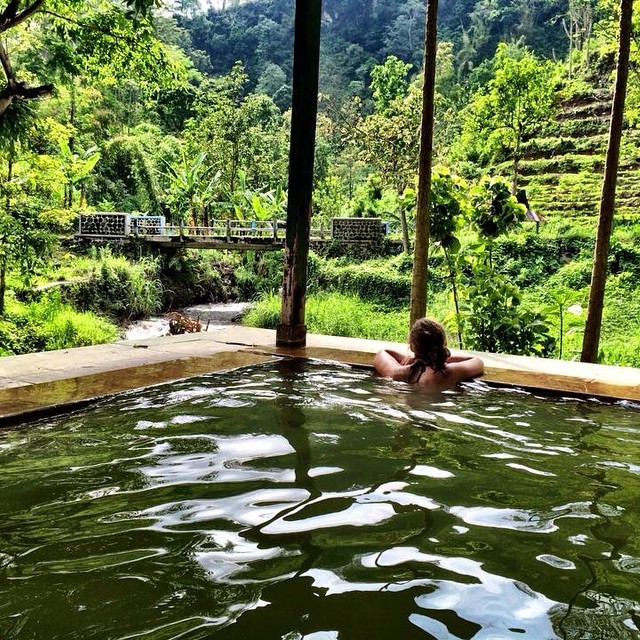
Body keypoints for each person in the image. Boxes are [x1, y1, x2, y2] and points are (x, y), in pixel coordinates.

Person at [374, 317, 484, 390]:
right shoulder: (451, 373)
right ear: (442, 344)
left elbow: (383, 353)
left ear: (412, 347)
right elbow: (478, 362)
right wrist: (440, 358)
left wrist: (414, 359)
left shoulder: (399, 373)